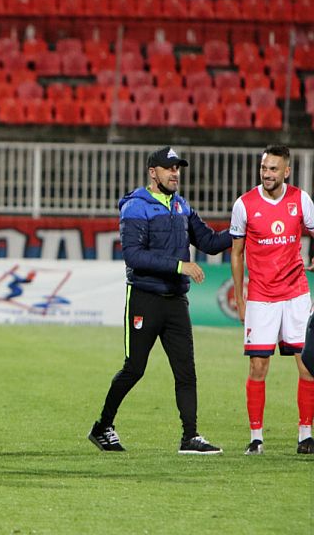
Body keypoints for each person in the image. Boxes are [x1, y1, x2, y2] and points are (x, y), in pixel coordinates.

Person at [88, 146, 231, 454]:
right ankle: (103, 427)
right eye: (169, 168)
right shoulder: (136, 206)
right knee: (134, 368)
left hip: (175, 301)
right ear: (153, 172)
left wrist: (240, 228)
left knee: (186, 371)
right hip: (145, 297)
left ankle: (189, 437)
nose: (175, 173)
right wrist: (181, 265)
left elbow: (208, 242)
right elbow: (134, 256)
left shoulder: (181, 206)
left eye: (178, 168)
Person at [230, 144, 314, 455]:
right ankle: (256, 438)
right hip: (262, 297)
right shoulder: (245, 205)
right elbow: (237, 255)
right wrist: (240, 298)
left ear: (286, 171)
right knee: (258, 367)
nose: (267, 174)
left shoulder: (301, 199)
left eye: (273, 169)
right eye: (264, 168)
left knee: (306, 365)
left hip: (295, 294)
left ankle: (305, 435)